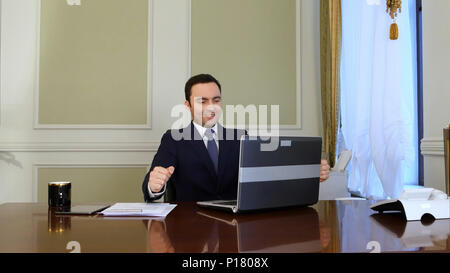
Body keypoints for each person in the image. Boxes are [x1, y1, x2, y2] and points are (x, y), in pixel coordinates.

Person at [142, 74, 330, 202]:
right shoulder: (174, 139)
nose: (211, 107)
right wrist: (154, 185)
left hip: (235, 226)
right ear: (188, 105)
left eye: (216, 100)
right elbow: (149, 189)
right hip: (191, 226)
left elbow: (266, 178)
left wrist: (309, 173)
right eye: (202, 101)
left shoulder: (240, 137)